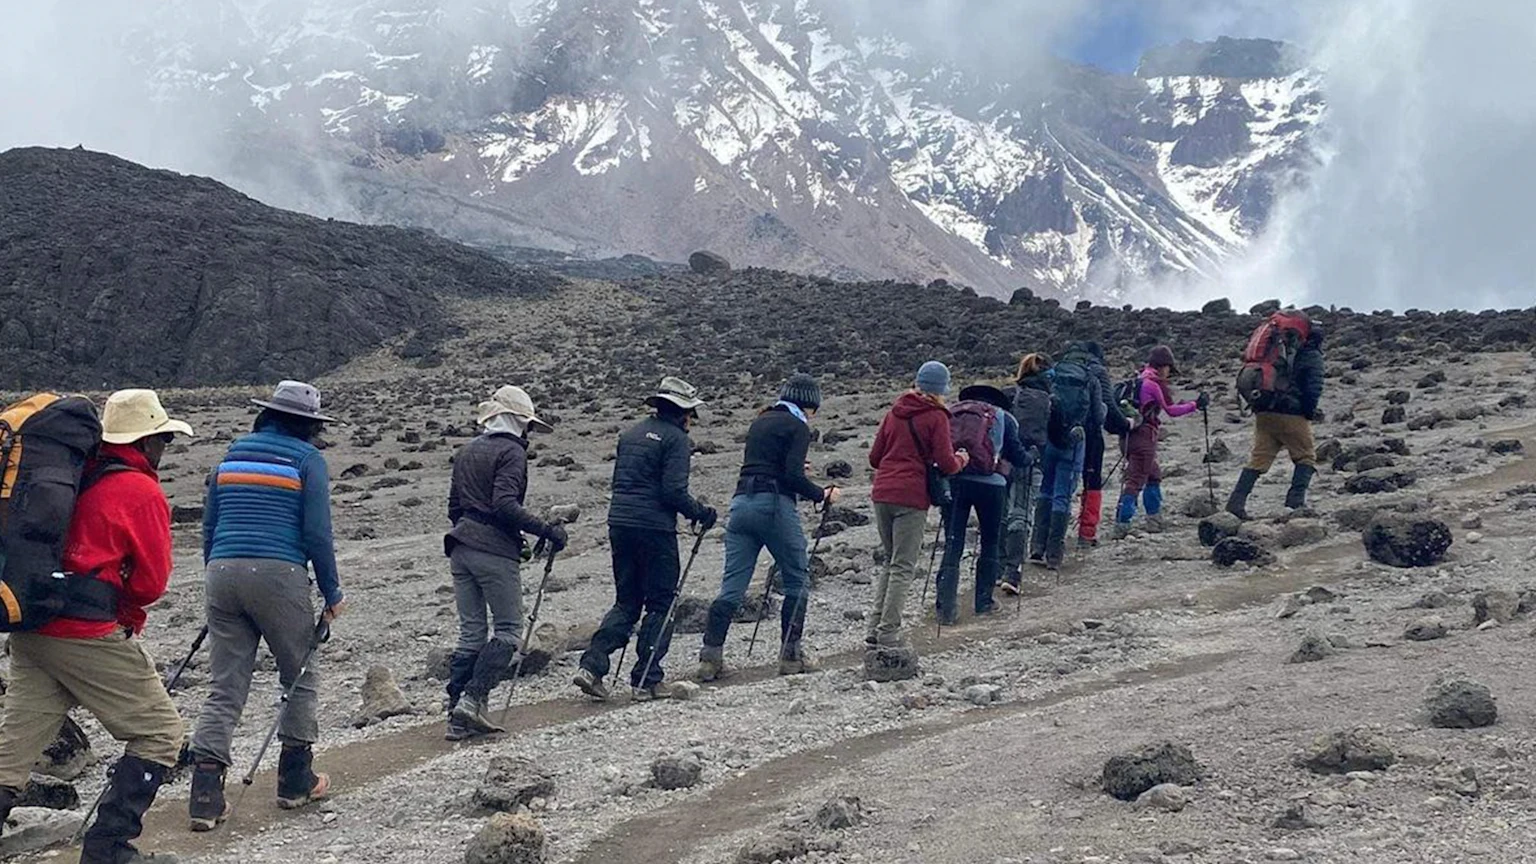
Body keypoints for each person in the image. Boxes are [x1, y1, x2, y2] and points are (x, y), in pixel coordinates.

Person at [0, 390, 192, 864]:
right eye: (162, 439)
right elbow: (150, 584)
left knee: (14, 751)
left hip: (32, 622)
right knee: (160, 733)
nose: (164, 449)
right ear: (147, 442)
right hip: (84, 632)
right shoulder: (140, 490)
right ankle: (109, 850)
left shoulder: (71, 474)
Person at [189, 381, 345, 831]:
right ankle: (295, 781)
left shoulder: (231, 455)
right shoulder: (307, 460)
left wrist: (216, 574)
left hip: (222, 571)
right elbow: (317, 533)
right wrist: (332, 593)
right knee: (299, 674)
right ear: (308, 425)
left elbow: (209, 524)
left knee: (225, 685)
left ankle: (205, 795)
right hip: (278, 574)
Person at [574, 377, 717, 701]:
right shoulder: (677, 440)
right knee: (661, 602)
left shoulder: (631, 434)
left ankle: (592, 666)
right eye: (691, 414)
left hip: (620, 524)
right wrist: (701, 513)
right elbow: (672, 491)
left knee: (626, 601)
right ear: (683, 412)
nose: (692, 420)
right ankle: (647, 679)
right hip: (654, 528)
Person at [441, 385, 567, 739]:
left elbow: (454, 507)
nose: (529, 432)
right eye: (527, 425)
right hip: (493, 551)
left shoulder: (467, 451)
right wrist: (547, 530)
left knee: (471, 633)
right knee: (509, 630)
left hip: (460, 546)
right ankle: (473, 699)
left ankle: (456, 715)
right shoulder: (512, 453)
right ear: (518, 421)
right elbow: (504, 505)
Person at [697, 374, 837, 679]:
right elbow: (791, 477)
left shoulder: (760, 421)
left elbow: (767, 463)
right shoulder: (798, 426)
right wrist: (821, 494)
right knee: (797, 579)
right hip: (774, 506)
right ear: (810, 403)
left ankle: (710, 658)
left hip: (740, 505)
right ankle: (791, 657)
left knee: (732, 586)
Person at [866, 361, 969, 644]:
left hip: (882, 492)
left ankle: (874, 628)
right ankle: (888, 631)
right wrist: (962, 459)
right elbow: (947, 464)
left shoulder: (893, 413)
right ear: (941, 389)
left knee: (891, 561)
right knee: (903, 565)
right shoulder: (937, 417)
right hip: (911, 497)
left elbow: (875, 458)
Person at [933, 384, 1028, 622]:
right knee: (990, 541)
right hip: (991, 485)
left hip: (955, 480)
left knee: (953, 542)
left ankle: (945, 608)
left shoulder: (951, 412)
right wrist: (1032, 456)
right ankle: (983, 602)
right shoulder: (1004, 417)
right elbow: (1017, 455)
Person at [1227, 324, 1326, 517]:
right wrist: (1308, 412)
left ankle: (1235, 504)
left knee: (1259, 459)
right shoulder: (1311, 356)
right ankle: (1295, 503)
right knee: (1305, 456)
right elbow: (1313, 388)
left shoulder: (1280, 352)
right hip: (1290, 413)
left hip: (1264, 411)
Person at [1111, 347, 1209, 538]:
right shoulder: (1154, 384)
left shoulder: (1138, 380)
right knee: (1135, 481)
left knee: (1153, 475)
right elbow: (1171, 410)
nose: (1168, 374)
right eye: (1168, 369)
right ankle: (1122, 524)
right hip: (1144, 439)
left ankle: (1153, 519)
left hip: (1128, 436)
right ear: (1163, 366)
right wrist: (1195, 405)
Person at [1029, 344, 1104, 571]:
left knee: (1045, 489)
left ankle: (1037, 547)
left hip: (1051, 438)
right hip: (1075, 441)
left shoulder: (1055, 375)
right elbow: (1098, 417)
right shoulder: (1091, 379)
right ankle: (1054, 554)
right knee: (1062, 495)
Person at [1001, 353, 1051, 593]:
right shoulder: (1049, 399)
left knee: (1003, 512)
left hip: (1003, 461)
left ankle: (996, 568)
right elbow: (1059, 435)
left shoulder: (1009, 395)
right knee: (1022, 514)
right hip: (1032, 461)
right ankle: (1013, 572)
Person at [1076, 342, 1135, 549]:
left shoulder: (1066, 368)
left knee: (1059, 484)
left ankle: (1046, 540)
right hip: (1091, 434)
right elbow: (1108, 405)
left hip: (1061, 432)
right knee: (1092, 482)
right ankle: (1086, 534)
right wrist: (1124, 425)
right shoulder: (1099, 371)